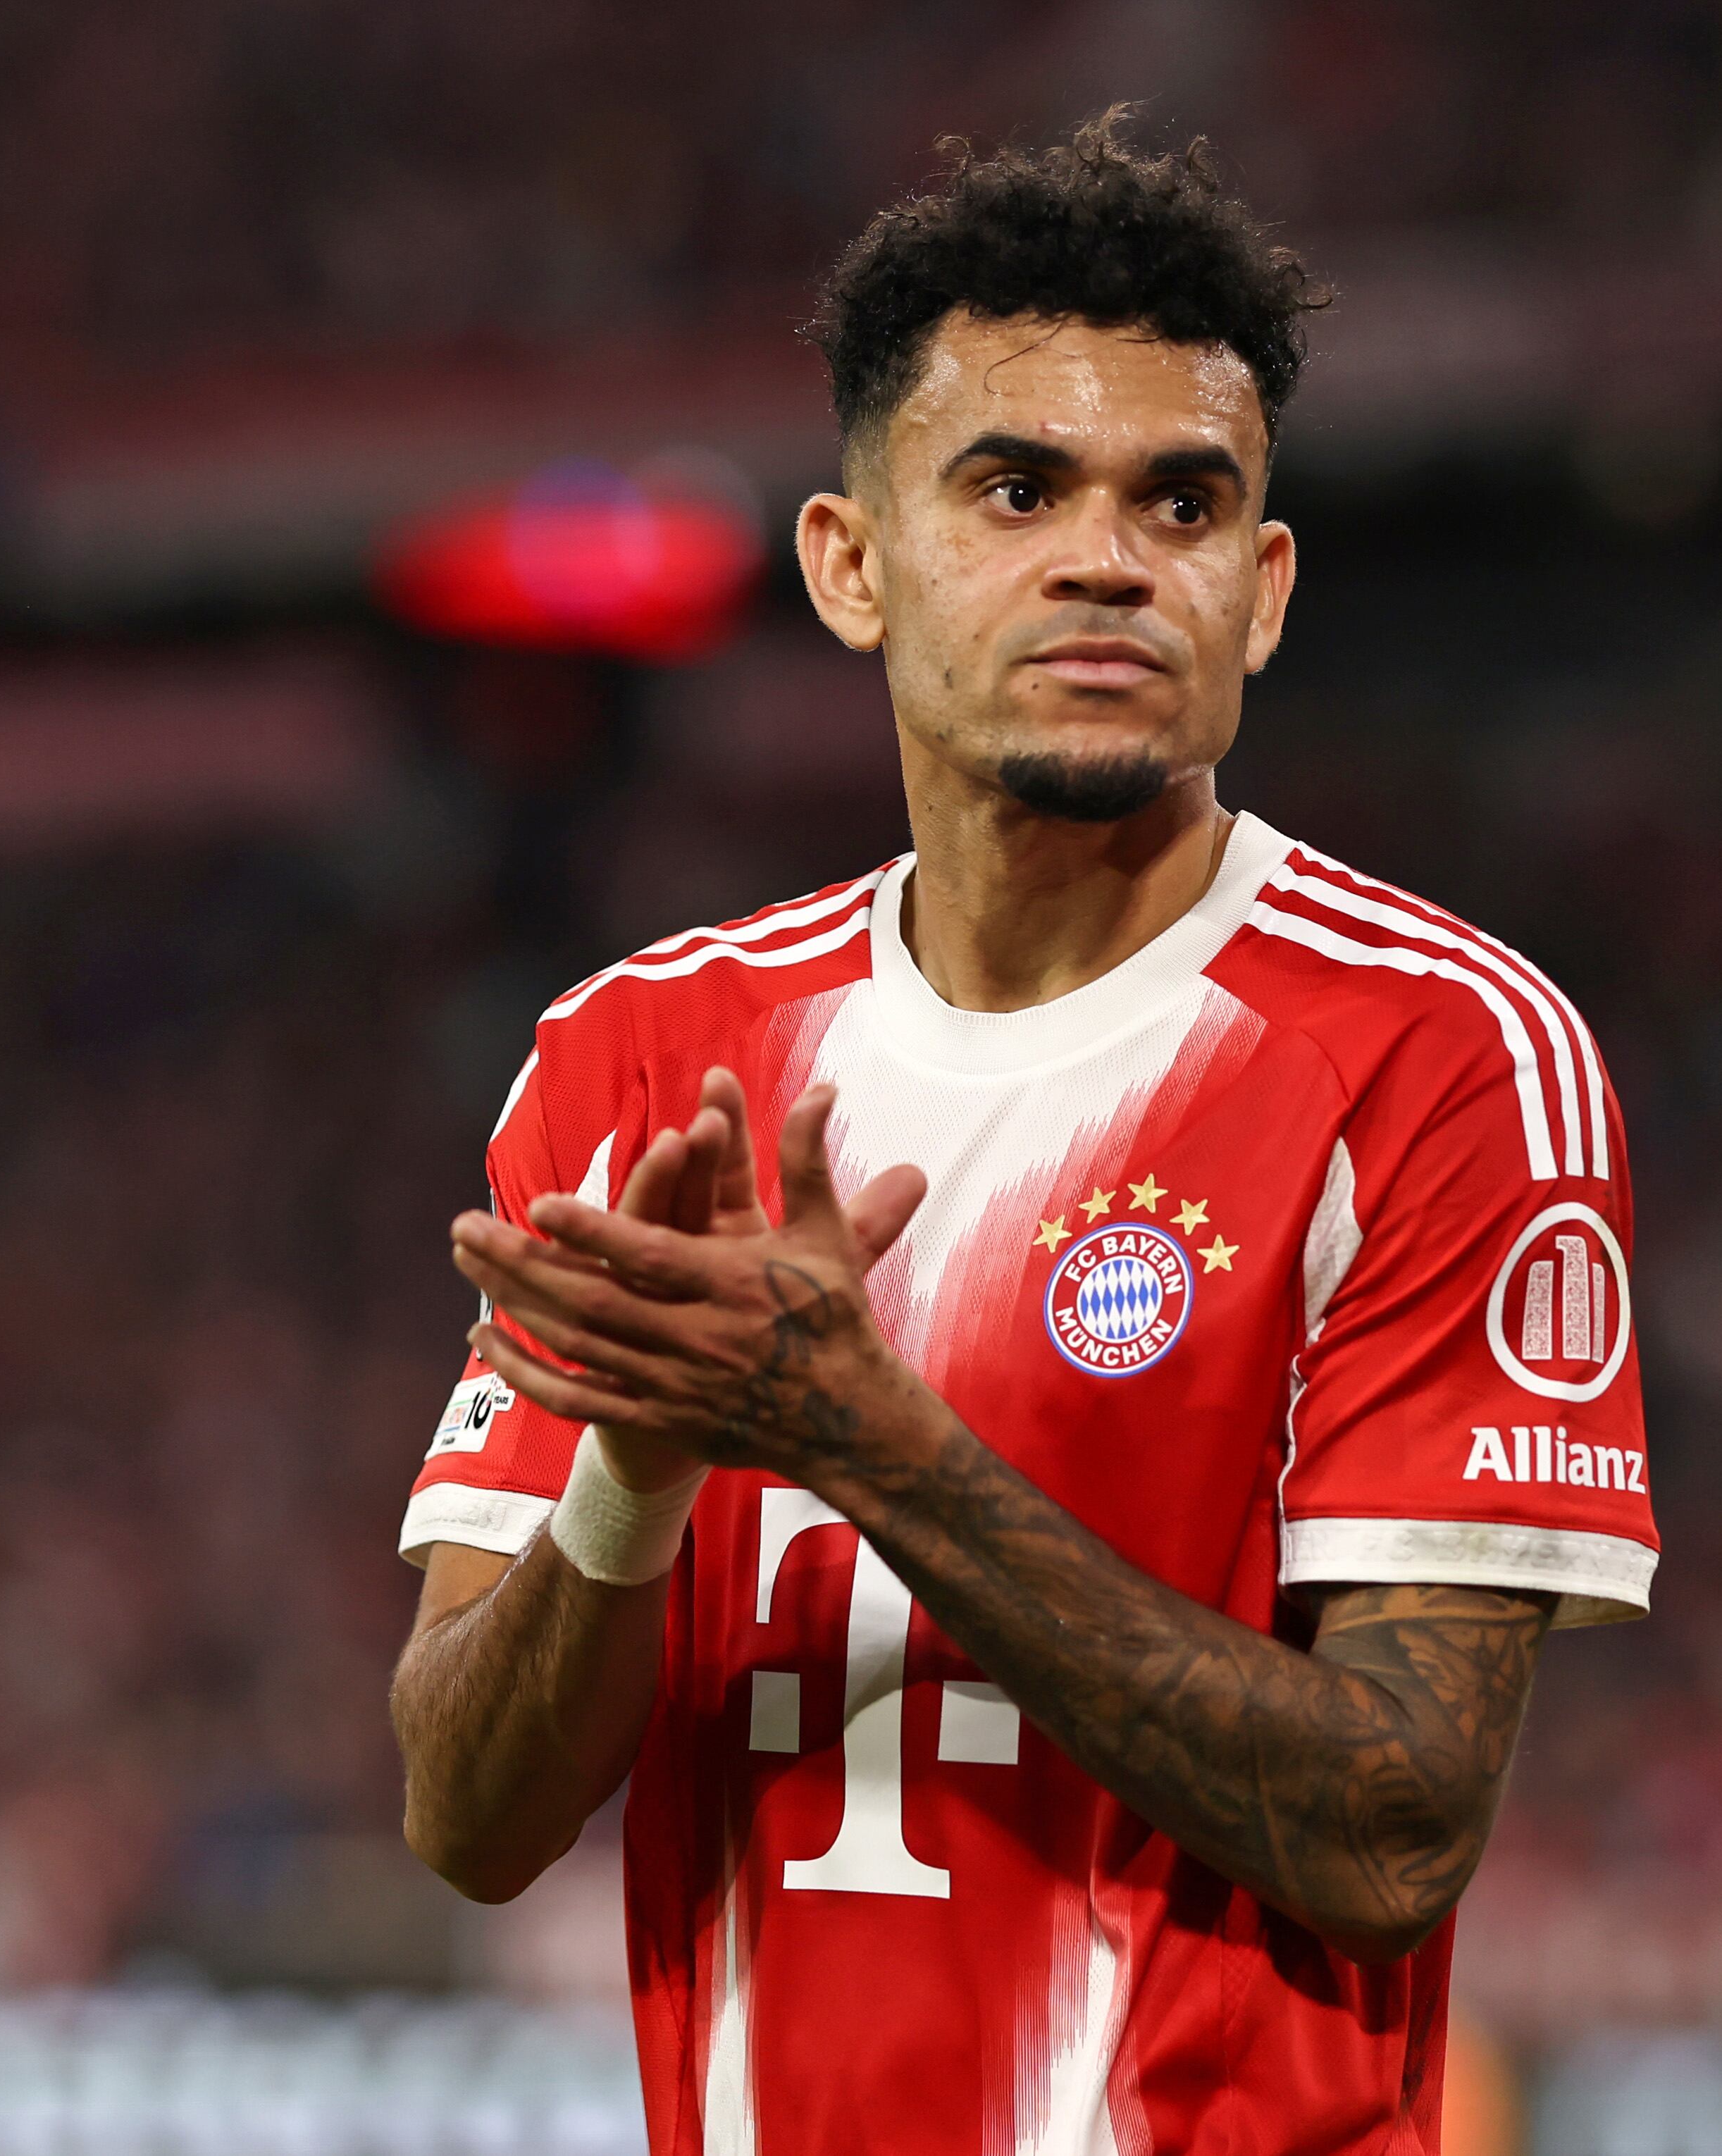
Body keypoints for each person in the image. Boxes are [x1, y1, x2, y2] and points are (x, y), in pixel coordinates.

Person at [388, 115, 1654, 2155]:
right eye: (1014, 486)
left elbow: (1399, 1825)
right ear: (849, 564)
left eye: (1182, 501)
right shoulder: (645, 1053)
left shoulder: (1439, 1051)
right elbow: (464, 1815)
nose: (1104, 554)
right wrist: (637, 1464)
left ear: (1260, 591)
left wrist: (858, 1435)